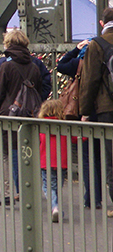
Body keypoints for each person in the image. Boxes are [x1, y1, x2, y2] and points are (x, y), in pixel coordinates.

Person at [0, 28, 47, 206]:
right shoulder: (34, 67)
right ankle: (27, 191)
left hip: (8, 114)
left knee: (2, 153)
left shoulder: (5, 66)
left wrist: (3, 106)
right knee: (28, 153)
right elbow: (39, 91)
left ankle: (7, 193)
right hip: (29, 115)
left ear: (8, 44)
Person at [58, 37, 104, 209]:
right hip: (103, 112)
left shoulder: (79, 63)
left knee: (87, 158)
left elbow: (61, 65)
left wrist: (76, 49)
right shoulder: (104, 60)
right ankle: (100, 195)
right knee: (102, 157)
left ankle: (91, 197)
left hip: (84, 115)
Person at [78, 6, 113, 218]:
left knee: (110, 157)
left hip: (107, 108)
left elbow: (89, 80)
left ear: (102, 23)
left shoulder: (97, 45)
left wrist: (85, 111)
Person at [38, 98, 73, 222]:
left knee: (47, 186)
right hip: (62, 161)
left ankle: (54, 207)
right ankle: (56, 207)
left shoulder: (41, 126)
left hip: (45, 161)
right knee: (57, 186)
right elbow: (75, 138)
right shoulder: (63, 126)